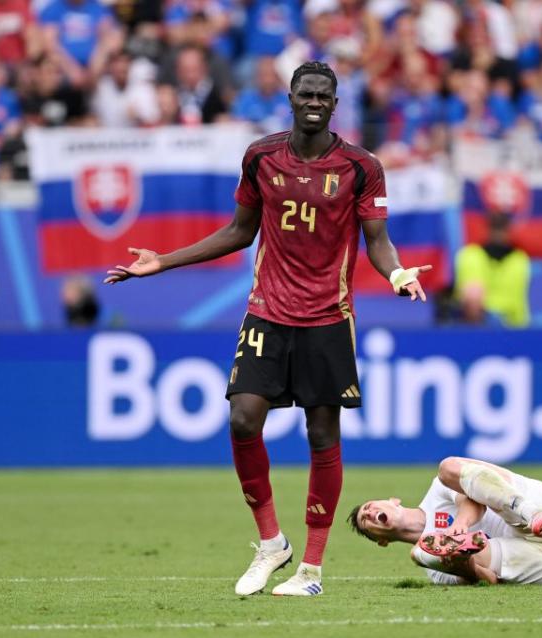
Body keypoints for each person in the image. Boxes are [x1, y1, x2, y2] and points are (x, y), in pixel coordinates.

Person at [104, 61, 432, 597]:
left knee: (322, 435)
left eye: (324, 95)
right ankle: (271, 543)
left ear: (334, 103)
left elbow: (377, 239)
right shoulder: (260, 156)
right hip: (267, 313)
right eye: (307, 93)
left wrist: (395, 272)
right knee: (242, 418)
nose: (315, 102)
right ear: (291, 96)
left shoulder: (361, 166)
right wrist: (162, 262)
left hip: (328, 317)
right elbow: (239, 231)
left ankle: (312, 571)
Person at [348, 456, 542, 586]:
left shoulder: (436, 492)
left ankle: (530, 513)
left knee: (448, 468)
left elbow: (472, 501)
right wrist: (462, 562)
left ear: (394, 500)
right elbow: (489, 580)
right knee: (423, 554)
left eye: (369, 507)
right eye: (365, 521)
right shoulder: (434, 571)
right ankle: (458, 548)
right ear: (381, 541)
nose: (369, 514)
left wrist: (458, 526)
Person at [454, 212, 530, 327]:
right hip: (482, 324)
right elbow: (472, 296)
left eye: (501, 228)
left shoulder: (520, 259)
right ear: (488, 229)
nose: (498, 234)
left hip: (515, 326)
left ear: (508, 229)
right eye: (495, 227)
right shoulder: (470, 255)